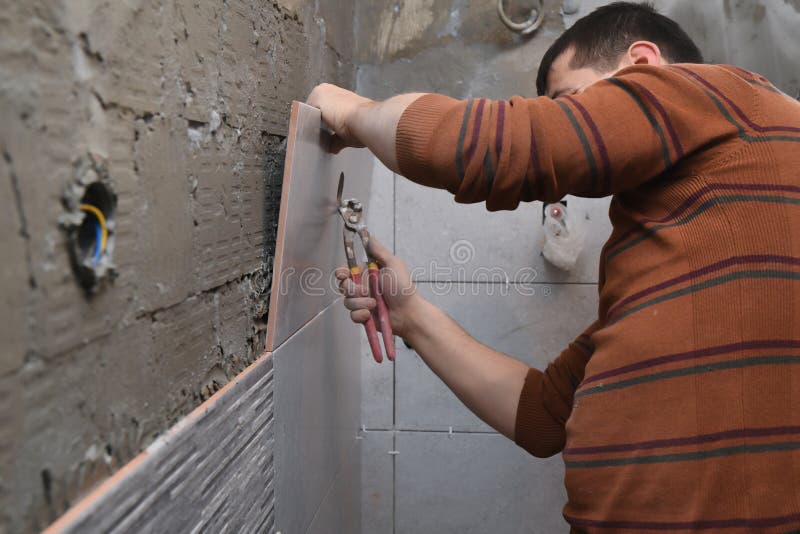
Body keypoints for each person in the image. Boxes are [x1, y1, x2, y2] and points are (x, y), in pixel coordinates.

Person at [308, 1, 800, 530]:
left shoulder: (717, 93)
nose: (570, 128)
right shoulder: (679, 242)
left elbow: (501, 147)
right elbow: (545, 416)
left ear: (642, 65)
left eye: (572, 105)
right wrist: (409, 317)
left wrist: (347, 109)